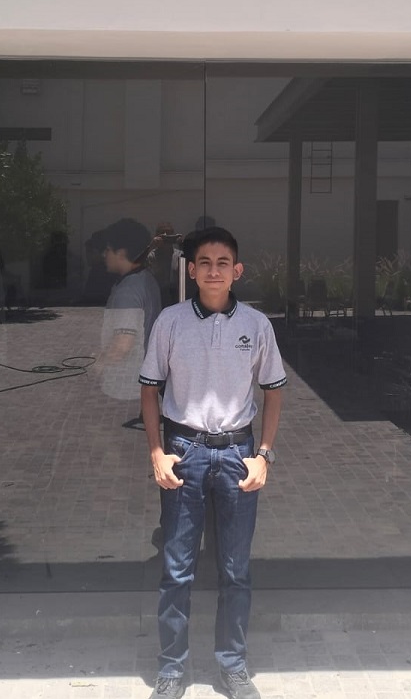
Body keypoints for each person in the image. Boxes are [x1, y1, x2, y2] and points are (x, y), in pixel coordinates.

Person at [139, 226, 286, 699]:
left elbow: (274, 391)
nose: (214, 270)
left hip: (239, 453)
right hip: (185, 452)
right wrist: (157, 452)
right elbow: (148, 389)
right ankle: (171, 669)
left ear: (236, 270)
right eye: (205, 262)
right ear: (192, 270)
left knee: (235, 568)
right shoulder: (170, 322)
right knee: (177, 568)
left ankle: (233, 665)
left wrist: (263, 454)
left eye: (223, 263)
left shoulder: (257, 326)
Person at [98, 219, 162, 405]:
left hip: (123, 387)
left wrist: (97, 366)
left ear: (121, 253)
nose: (104, 254)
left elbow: (122, 344)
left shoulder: (127, 290)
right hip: (143, 381)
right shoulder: (147, 279)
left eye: (108, 249)